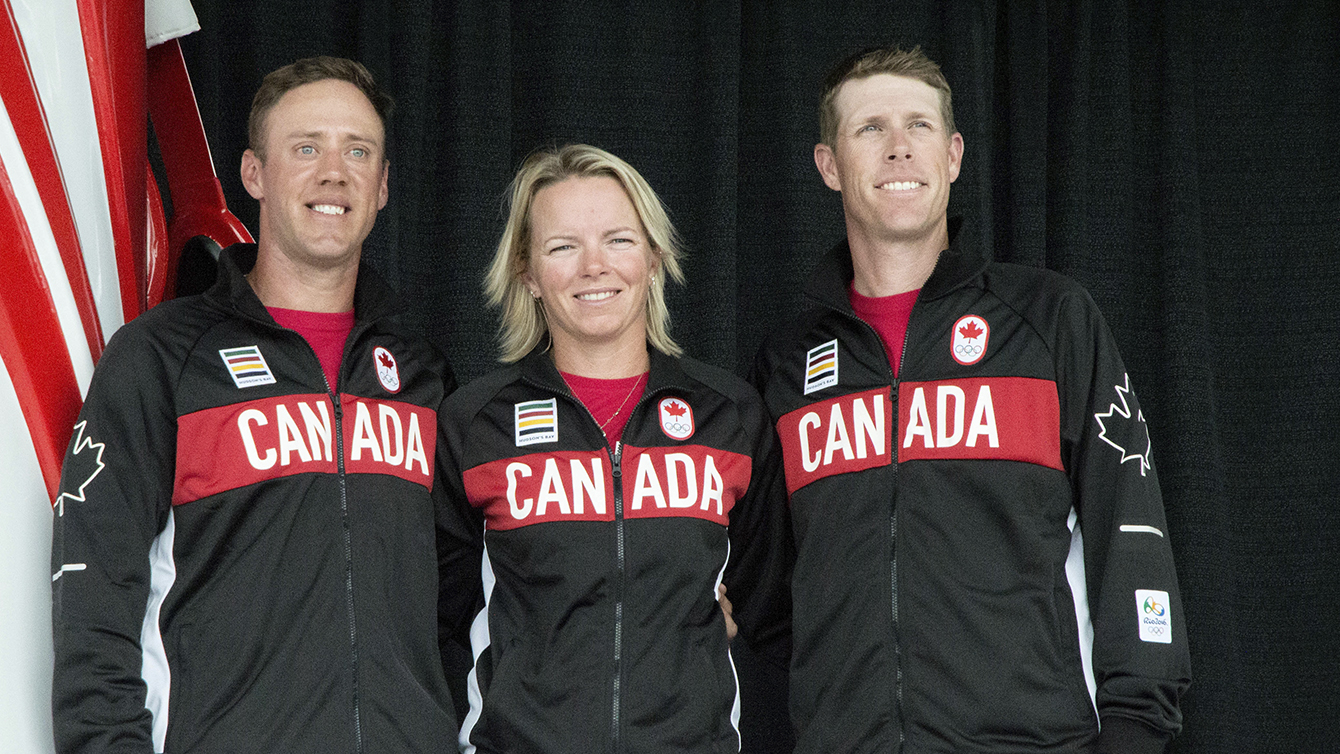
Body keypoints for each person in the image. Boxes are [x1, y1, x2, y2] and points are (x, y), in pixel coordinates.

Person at [750, 47, 1192, 753]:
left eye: (919, 126)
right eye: (870, 129)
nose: (899, 149)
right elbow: (767, 599)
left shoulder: (1050, 321)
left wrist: (1137, 728)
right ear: (829, 165)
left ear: (953, 156)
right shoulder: (787, 365)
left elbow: (1131, 537)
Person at [50, 56, 458, 753]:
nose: (334, 172)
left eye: (358, 151)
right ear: (253, 175)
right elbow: (94, 604)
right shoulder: (161, 359)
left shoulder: (423, 378)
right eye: (306, 148)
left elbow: (470, 601)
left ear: (383, 185)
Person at [436, 144, 790, 753]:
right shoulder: (475, 423)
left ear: (654, 257)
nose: (593, 266)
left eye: (619, 240)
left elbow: (771, 615)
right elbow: (438, 623)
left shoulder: (729, 416)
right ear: (527, 272)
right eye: (562, 246)